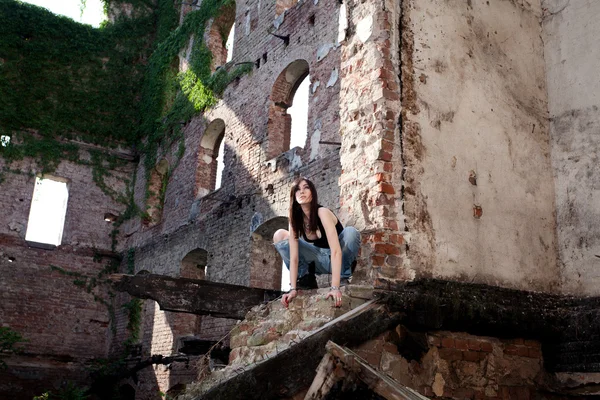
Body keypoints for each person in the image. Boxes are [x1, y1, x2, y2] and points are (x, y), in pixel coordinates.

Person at [273, 177, 360, 308]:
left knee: (350, 232)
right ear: (293, 195)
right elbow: (294, 257)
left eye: (306, 188)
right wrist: (293, 289)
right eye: (297, 190)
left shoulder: (322, 212)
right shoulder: (295, 220)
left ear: (312, 192)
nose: (301, 192)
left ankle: (343, 277)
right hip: (318, 259)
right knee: (280, 235)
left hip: (337, 257)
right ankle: (305, 278)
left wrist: (335, 287)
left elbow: (336, 251)